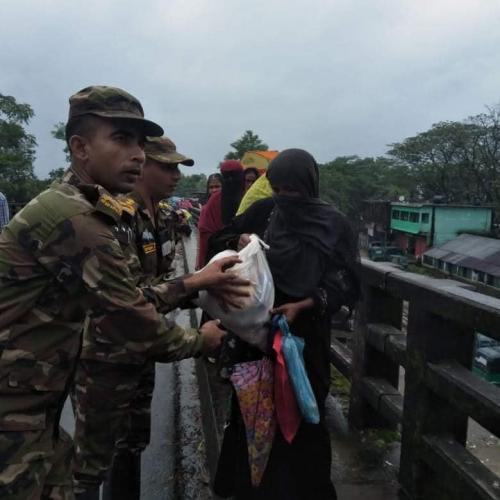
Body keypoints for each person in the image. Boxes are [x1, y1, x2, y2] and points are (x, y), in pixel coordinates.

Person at [0, 86, 234, 500]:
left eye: (141, 144)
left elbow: (129, 295)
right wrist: (201, 340)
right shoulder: (74, 218)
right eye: (121, 140)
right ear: (80, 148)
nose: (139, 155)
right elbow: (130, 314)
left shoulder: (91, 208)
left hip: (35, 399)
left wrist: (194, 284)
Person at [72, 135, 247, 499]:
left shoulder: (165, 216)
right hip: (105, 356)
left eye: (178, 167)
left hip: (142, 352)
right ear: (140, 164)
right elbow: (130, 300)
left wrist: (204, 289)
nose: (176, 175)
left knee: (132, 443)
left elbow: (161, 285)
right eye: (166, 167)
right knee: (92, 461)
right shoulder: (114, 217)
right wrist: (197, 297)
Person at [213, 149, 360, 500]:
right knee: (253, 414)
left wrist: (306, 303)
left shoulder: (335, 225)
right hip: (256, 337)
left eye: (292, 189)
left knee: (306, 418)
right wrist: (239, 241)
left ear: (309, 185)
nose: (285, 197)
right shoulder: (265, 212)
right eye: (278, 188)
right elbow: (220, 240)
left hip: (304, 341)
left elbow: (345, 282)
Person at [196, 160, 245, 268]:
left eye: (234, 175)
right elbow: (204, 233)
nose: (231, 180)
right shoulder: (214, 201)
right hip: (218, 255)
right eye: (227, 177)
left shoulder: (249, 197)